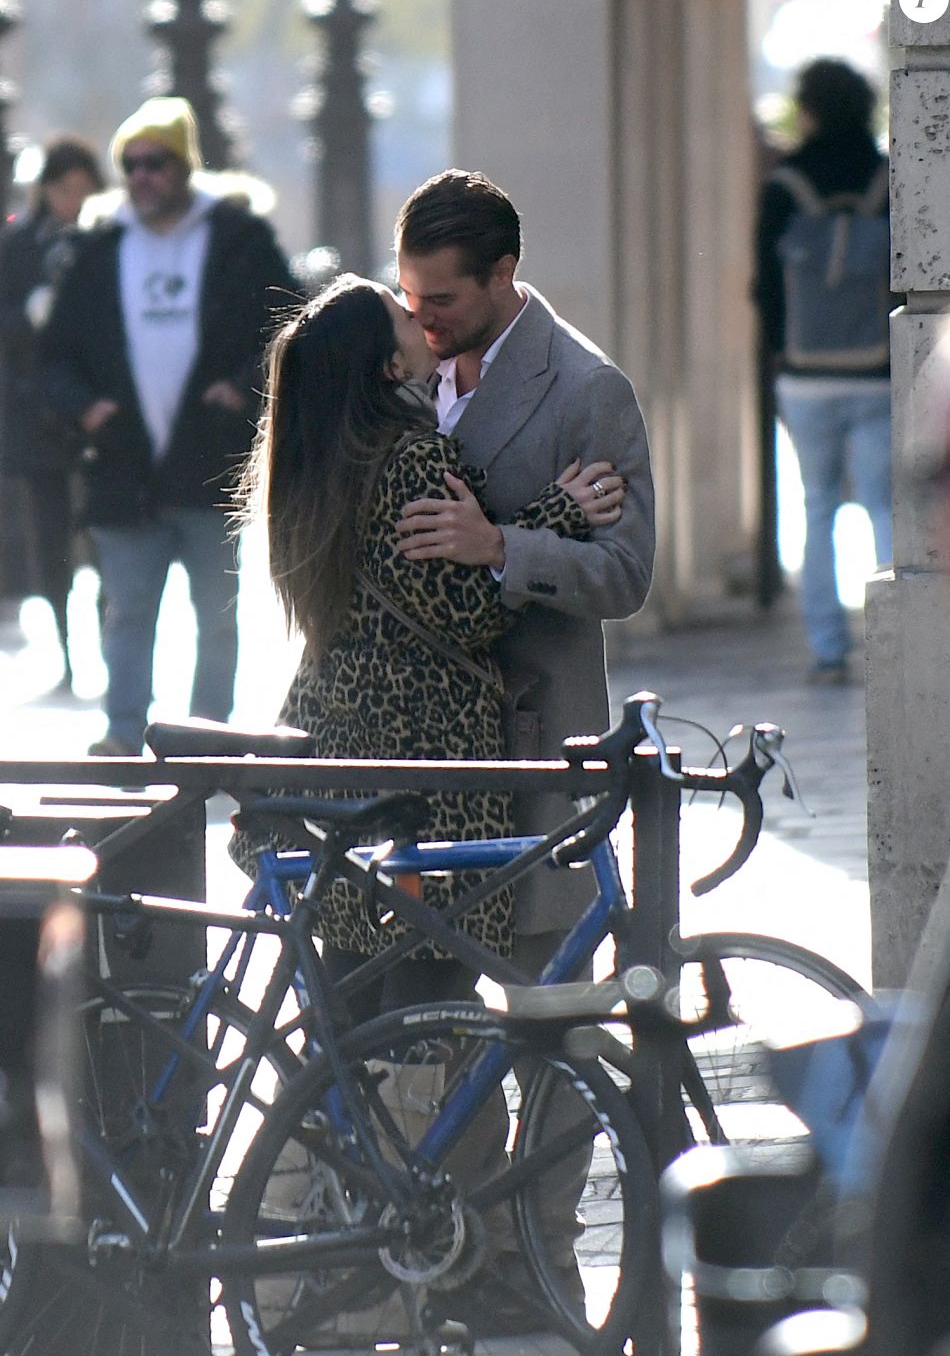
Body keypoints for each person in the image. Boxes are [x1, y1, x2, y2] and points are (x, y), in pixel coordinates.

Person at [229, 272, 620, 1014]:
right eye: (399, 315)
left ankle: (328, 1129)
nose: (417, 317)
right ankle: (380, 1126)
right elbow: (467, 610)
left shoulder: (311, 463)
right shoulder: (410, 460)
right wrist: (557, 513)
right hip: (425, 771)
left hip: (336, 746)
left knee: (348, 1004)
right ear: (390, 366)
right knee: (424, 1000)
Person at [393, 168, 655, 964]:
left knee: (550, 1023)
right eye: (409, 295)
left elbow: (626, 573)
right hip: (415, 749)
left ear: (502, 273)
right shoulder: (400, 364)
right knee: (424, 1027)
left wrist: (504, 546)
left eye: (441, 299)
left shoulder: (587, 389)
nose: (421, 317)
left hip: (528, 742)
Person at [40, 96, 297, 755]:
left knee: (216, 621)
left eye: (156, 162)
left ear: (184, 167)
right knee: (127, 615)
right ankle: (123, 735)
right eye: (130, 165)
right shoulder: (100, 250)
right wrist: (87, 408)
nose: (141, 176)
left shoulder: (239, 240)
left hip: (210, 466)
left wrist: (241, 387)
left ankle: (205, 740)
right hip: (123, 469)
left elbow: (292, 322)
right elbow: (54, 356)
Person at [754, 58, 893, 686]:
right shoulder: (889, 177)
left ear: (808, 108)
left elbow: (765, 285)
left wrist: (779, 350)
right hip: (878, 368)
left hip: (806, 372)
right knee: (887, 508)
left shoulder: (786, 183)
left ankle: (829, 650)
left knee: (817, 509)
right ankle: (899, 639)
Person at [0, 135, 105, 689]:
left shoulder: (102, 240)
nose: (75, 201)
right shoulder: (19, 245)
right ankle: (67, 654)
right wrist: (29, 312)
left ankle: (108, 648)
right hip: (37, 416)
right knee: (50, 539)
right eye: (66, 190)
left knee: (106, 532)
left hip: (93, 410)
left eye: (85, 191)